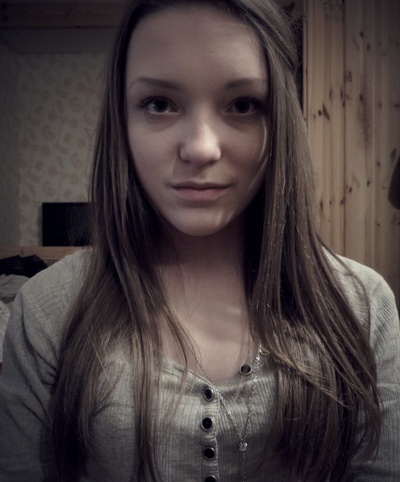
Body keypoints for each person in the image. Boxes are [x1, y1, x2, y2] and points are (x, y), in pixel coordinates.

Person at [0, 0, 399, 481]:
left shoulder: (361, 305)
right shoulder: (47, 310)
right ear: (121, 121)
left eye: (243, 105)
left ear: (281, 122)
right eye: (159, 104)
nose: (201, 148)